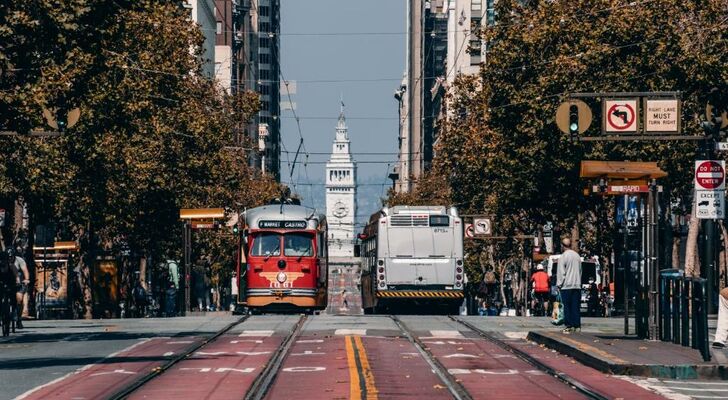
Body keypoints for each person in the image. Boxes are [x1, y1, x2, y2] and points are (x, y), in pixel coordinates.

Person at [557, 238, 582, 333]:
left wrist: (559, 284)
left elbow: (561, 273)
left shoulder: (563, 257)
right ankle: (577, 325)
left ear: (562, 245)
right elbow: (580, 271)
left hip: (566, 285)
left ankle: (569, 325)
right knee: (576, 306)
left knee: (567, 306)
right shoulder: (577, 256)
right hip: (577, 284)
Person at [9, 248, 29, 328]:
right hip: (7, 281)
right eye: (8, 257)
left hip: (18, 282)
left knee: (19, 299)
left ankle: (19, 319)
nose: (10, 258)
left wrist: (26, 279)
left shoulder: (19, 260)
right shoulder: (4, 261)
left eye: (11, 257)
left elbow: (24, 271)